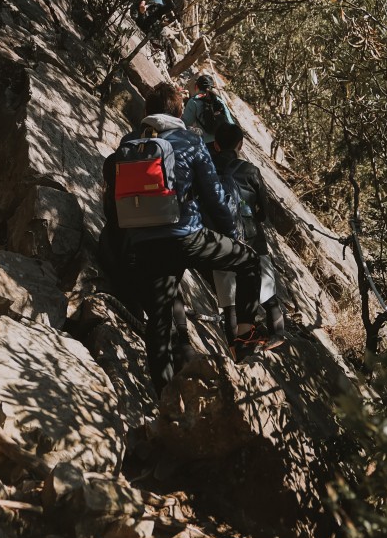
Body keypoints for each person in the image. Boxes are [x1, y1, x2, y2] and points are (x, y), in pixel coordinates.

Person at [102, 82, 274, 394]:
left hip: (145, 244)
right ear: (180, 111)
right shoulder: (190, 141)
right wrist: (232, 235)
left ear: (146, 111)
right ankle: (244, 337)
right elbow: (215, 199)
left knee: (159, 323)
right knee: (248, 261)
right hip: (188, 237)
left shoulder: (129, 141)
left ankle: (164, 397)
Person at [210, 121, 285, 348]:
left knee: (228, 299)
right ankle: (277, 335)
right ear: (240, 145)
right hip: (252, 237)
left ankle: (238, 348)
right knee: (266, 287)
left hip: (220, 237)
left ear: (215, 145)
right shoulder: (251, 171)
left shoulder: (207, 169)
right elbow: (264, 213)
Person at [182, 73, 234, 144]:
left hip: (202, 143)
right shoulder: (220, 101)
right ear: (212, 88)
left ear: (196, 87)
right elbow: (230, 122)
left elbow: (185, 124)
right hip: (221, 142)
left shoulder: (194, 101)